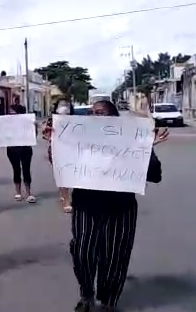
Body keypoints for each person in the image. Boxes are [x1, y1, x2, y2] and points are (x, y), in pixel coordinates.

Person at [69, 100, 168, 312]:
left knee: (115, 255)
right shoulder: (80, 138)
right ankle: (86, 294)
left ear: (115, 117)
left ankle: (108, 301)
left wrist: (146, 148)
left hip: (120, 207)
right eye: (93, 113)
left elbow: (154, 175)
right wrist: (54, 144)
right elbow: (63, 165)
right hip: (86, 206)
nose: (96, 116)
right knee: (82, 251)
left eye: (101, 112)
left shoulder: (132, 141)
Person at [43, 98, 75, 213]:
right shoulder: (52, 120)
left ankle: (67, 194)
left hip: (74, 150)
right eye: (61, 105)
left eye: (66, 104)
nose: (64, 107)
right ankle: (66, 199)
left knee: (74, 174)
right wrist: (47, 130)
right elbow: (45, 136)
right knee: (62, 174)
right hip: (57, 150)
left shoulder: (76, 120)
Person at [6, 99, 35, 203]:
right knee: (16, 169)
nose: (10, 114)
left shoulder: (26, 122)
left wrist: (33, 127)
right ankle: (18, 192)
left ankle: (29, 193)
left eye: (13, 112)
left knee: (26, 169)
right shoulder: (7, 123)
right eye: (10, 113)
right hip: (12, 149)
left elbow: (33, 135)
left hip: (25, 148)